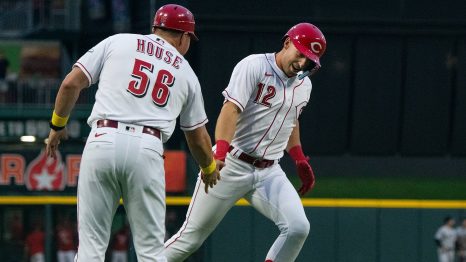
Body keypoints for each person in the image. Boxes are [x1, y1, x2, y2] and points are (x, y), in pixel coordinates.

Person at [45, 4, 220, 261]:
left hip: (102, 139)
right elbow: (197, 137)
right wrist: (208, 168)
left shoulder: (119, 42)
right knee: (150, 251)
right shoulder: (186, 73)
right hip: (147, 147)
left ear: (154, 28)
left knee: (90, 248)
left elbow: (71, 84)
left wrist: (57, 126)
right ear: (184, 37)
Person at [164, 23, 325, 262]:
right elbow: (231, 110)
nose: (303, 64)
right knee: (189, 239)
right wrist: (218, 154)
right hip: (231, 163)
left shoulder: (305, 85)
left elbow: (290, 118)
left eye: (310, 60)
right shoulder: (255, 65)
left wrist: (299, 158)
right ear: (287, 43)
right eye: (300, 54)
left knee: (298, 227)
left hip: (269, 171)